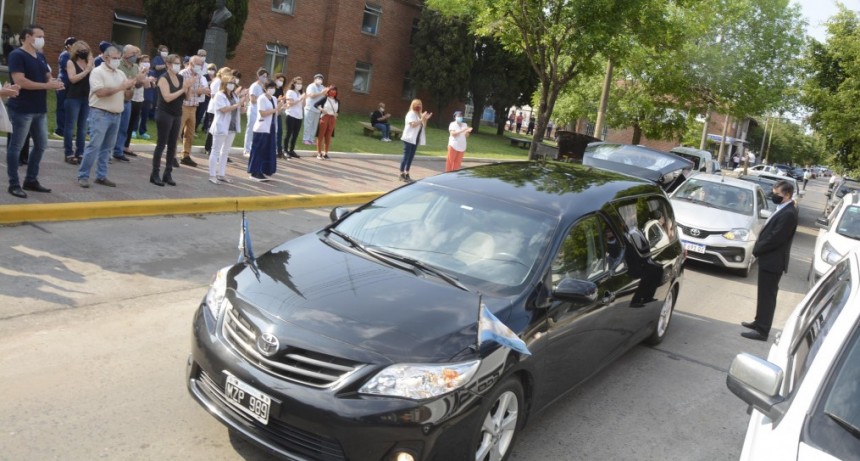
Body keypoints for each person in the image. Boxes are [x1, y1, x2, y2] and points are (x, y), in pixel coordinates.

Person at [6, 24, 64, 199]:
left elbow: (46, 74)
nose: (42, 39)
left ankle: (31, 180)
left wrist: (54, 81)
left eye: (42, 36)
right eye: (39, 36)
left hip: (40, 109)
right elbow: (20, 81)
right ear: (27, 37)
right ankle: (13, 183)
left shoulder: (40, 55)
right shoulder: (17, 55)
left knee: (41, 145)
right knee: (16, 147)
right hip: (22, 109)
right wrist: (47, 85)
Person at [741, 180, 798, 341]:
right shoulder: (783, 209)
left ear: (787, 195)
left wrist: (757, 249)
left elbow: (775, 238)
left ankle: (762, 330)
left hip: (774, 262)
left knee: (768, 296)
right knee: (763, 293)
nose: (774, 196)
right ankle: (758, 322)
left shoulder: (789, 213)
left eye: (777, 194)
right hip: (769, 259)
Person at [77, 46, 135, 188]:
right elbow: (100, 93)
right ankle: (83, 175)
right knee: (94, 145)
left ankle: (101, 176)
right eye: (114, 58)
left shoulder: (120, 73)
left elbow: (127, 97)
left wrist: (129, 87)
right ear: (105, 57)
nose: (117, 60)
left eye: (118, 58)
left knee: (107, 148)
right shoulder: (97, 72)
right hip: (100, 113)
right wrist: (121, 88)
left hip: (116, 115)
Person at [150, 53, 192, 186]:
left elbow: (187, 98)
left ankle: (168, 173)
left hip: (177, 114)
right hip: (164, 113)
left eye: (178, 63)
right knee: (161, 144)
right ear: (168, 64)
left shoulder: (180, 77)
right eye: (174, 63)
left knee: (173, 144)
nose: (177, 66)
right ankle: (155, 173)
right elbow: (167, 97)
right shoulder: (163, 78)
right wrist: (182, 90)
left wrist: (188, 88)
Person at [208, 75, 245, 184]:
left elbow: (239, 110)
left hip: (232, 127)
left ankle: (221, 174)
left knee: (225, 152)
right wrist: (237, 104)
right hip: (221, 126)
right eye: (230, 82)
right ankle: (212, 175)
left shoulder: (234, 95)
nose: (232, 84)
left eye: (233, 83)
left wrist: (243, 106)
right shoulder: (219, 95)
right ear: (224, 83)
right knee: (215, 150)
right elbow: (224, 109)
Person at [63, 40, 94, 165]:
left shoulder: (90, 63)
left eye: (86, 50)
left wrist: (91, 65)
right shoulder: (71, 62)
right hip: (73, 97)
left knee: (83, 127)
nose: (84, 52)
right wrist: (86, 70)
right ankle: (68, 152)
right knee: (70, 126)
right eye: (81, 50)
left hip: (86, 98)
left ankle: (80, 152)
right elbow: (73, 79)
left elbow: (95, 78)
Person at [248, 79, 284, 181]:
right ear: (265, 88)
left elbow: (275, 113)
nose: (272, 90)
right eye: (270, 88)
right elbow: (263, 113)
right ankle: (254, 172)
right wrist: (276, 109)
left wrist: (280, 107)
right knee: (258, 150)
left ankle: (263, 170)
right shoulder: (261, 98)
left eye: (273, 88)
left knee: (266, 150)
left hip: (271, 128)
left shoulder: (273, 98)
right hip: (262, 128)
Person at [112, 45, 142, 162]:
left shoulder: (135, 67)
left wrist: (140, 80)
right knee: (113, 127)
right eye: (133, 53)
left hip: (128, 100)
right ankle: (108, 151)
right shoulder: (117, 64)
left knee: (124, 127)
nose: (135, 56)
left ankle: (118, 151)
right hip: (116, 99)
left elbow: (138, 85)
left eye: (136, 53)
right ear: (125, 54)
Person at [178, 55, 208, 167]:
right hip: (183, 106)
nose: (200, 66)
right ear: (191, 64)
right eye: (198, 64)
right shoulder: (183, 73)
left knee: (189, 133)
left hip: (193, 107)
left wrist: (203, 91)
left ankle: (185, 155)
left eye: (201, 64)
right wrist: (198, 90)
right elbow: (182, 90)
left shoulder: (199, 75)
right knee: (177, 131)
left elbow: (199, 90)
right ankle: (171, 155)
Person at [399, 98, 431, 182]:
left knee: (411, 157)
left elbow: (423, 126)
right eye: (417, 105)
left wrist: (425, 119)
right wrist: (421, 119)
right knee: (406, 156)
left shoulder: (418, 115)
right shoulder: (411, 114)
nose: (419, 106)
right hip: (409, 138)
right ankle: (401, 174)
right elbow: (413, 125)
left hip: (415, 139)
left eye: (420, 105)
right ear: (413, 105)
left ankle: (407, 173)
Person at [204, 66, 231, 156]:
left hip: (219, 108)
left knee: (216, 128)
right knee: (213, 128)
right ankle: (208, 147)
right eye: (227, 74)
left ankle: (213, 147)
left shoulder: (222, 82)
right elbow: (214, 95)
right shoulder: (217, 81)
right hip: (214, 108)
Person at [243, 67, 268, 157]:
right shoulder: (254, 86)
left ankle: (254, 148)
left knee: (258, 130)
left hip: (260, 111)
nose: (265, 78)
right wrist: (262, 99)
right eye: (263, 76)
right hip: (253, 110)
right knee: (250, 130)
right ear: (259, 76)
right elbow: (253, 100)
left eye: (266, 76)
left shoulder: (264, 87)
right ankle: (246, 150)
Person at [54, 36, 76, 139]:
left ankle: (67, 130)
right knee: (61, 107)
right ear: (68, 46)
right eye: (74, 45)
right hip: (63, 83)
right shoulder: (65, 55)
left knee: (68, 108)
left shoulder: (73, 56)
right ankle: (60, 130)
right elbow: (68, 69)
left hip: (71, 84)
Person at [302, 73, 329, 145]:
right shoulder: (311, 86)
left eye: (321, 79)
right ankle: (305, 139)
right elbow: (312, 96)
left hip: (318, 109)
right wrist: (321, 93)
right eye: (318, 78)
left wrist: (327, 91)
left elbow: (325, 95)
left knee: (314, 125)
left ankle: (311, 139)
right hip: (310, 108)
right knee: (308, 124)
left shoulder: (322, 87)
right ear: (314, 79)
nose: (320, 80)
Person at [283, 76, 305, 158]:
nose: (299, 85)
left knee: (295, 134)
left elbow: (303, 105)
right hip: (291, 115)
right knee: (289, 133)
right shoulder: (290, 92)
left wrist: (304, 98)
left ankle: (291, 150)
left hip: (299, 116)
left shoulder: (299, 93)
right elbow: (290, 104)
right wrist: (300, 98)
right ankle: (285, 150)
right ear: (294, 84)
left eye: (300, 83)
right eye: (298, 83)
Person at [315, 85, 339, 159]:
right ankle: (319, 153)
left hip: (332, 119)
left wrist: (336, 114)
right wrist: (322, 109)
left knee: (328, 136)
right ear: (328, 91)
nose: (333, 92)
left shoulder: (337, 101)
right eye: (331, 90)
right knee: (321, 135)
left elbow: (338, 111)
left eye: (334, 90)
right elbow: (315, 104)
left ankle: (325, 153)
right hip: (325, 117)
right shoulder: (325, 98)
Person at [273, 73, 287, 159]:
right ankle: (274, 150)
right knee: (274, 132)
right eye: (279, 80)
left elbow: (281, 101)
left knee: (280, 131)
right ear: (275, 79)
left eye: (282, 81)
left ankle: (279, 151)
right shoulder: (272, 89)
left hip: (279, 112)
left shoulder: (281, 89)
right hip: (272, 112)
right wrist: (278, 100)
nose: (281, 82)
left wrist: (283, 104)